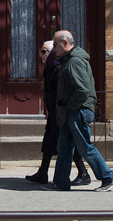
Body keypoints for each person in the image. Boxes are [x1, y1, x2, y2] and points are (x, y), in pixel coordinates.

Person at [44, 30, 113, 192]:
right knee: (64, 147)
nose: (54, 48)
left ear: (65, 43)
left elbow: (83, 90)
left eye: (55, 45)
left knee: (84, 146)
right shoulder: (68, 61)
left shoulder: (74, 62)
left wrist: (70, 105)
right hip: (71, 112)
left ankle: (108, 176)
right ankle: (60, 182)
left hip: (78, 111)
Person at [25, 40, 90, 186]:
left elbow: (64, 90)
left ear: (51, 52)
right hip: (54, 112)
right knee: (49, 141)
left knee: (67, 142)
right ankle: (43, 172)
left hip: (60, 111)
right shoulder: (50, 67)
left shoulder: (57, 67)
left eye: (43, 51)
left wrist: (58, 103)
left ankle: (83, 172)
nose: (41, 55)